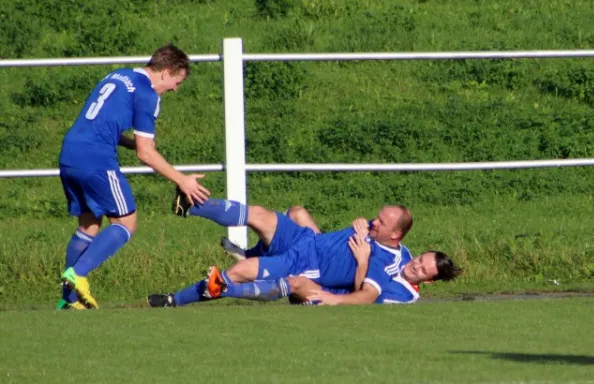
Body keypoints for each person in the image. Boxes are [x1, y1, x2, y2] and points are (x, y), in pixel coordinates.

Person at [57, 44, 211, 310]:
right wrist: (182, 180)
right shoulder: (147, 94)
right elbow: (146, 153)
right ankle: (78, 274)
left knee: (88, 226)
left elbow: (101, 124)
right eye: (177, 81)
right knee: (126, 222)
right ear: (165, 72)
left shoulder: (118, 75)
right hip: (97, 159)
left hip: (70, 153)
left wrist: (127, 143)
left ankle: (69, 301)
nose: (175, 88)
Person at [147, 195, 433, 307]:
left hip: (307, 263)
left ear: (395, 233)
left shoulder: (386, 261)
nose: (374, 221)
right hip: (305, 240)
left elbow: (368, 294)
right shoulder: (387, 241)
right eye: (377, 216)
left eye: (381, 222)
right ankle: (189, 205)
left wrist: (357, 266)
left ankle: (174, 300)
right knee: (259, 214)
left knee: (238, 273)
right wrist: (360, 227)